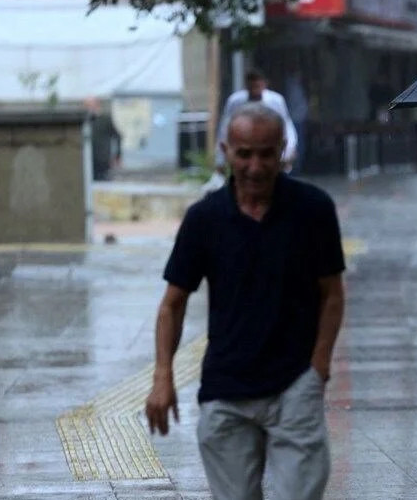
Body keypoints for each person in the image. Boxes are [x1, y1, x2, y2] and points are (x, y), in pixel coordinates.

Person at [146, 103, 346, 500]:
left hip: (294, 384)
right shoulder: (204, 219)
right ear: (226, 151)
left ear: (282, 150)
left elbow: (332, 295)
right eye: (244, 154)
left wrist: (318, 368)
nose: (255, 166)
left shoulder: (313, 209)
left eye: (266, 153)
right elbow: (172, 304)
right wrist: (162, 377)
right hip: (226, 388)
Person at [215, 69, 298, 173]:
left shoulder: (275, 101)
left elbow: (286, 125)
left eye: (257, 87)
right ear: (246, 86)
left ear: (264, 85)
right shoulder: (235, 101)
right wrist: (220, 160)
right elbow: (224, 129)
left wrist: (289, 150)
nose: (254, 91)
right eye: (251, 87)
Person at [84, 97, 121, 181]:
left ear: (97, 105)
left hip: (103, 160)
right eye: (86, 106)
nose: (88, 109)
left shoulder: (105, 120)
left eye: (89, 106)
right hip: (89, 159)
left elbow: (117, 136)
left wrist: (117, 156)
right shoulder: (86, 121)